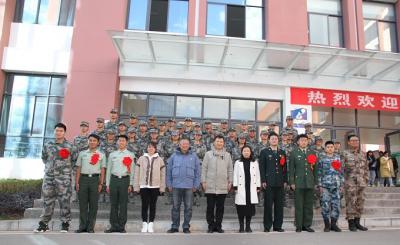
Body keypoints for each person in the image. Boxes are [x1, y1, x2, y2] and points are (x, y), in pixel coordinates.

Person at [34, 123, 77, 233]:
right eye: (57, 130)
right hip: (49, 178)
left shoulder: (70, 146)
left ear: (64, 132)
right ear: (54, 131)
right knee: (47, 200)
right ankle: (44, 224)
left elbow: (74, 161)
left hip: (64, 179)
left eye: (61, 131)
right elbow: (44, 158)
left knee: (65, 201)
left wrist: (64, 171)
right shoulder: (48, 144)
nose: (58, 132)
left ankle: (65, 223)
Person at [166, 138, 201, 234]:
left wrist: (196, 185)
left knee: (188, 207)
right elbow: (168, 171)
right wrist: (169, 183)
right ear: (179, 145)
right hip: (176, 186)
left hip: (189, 186)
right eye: (183, 144)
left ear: (189, 145)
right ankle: (174, 227)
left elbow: (198, 172)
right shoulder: (174, 156)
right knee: (175, 207)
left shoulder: (194, 156)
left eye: (186, 144)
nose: (185, 145)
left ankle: (186, 226)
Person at [75, 134, 106, 233]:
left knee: (93, 205)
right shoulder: (82, 154)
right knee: (83, 204)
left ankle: (90, 227)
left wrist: (101, 183)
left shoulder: (102, 155)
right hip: (83, 180)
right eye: (90, 140)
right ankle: (82, 226)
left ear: (98, 142)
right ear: (88, 141)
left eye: (94, 140)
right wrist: (77, 182)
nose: (92, 142)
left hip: (95, 180)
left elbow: (102, 170)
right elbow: (78, 168)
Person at [201, 135, 233, 233]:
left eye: (221, 141)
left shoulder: (227, 155)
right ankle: (211, 226)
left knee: (220, 208)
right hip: (210, 185)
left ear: (223, 143)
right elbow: (204, 168)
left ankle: (218, 225)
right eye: (217, 141)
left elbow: (230, 169)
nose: (219, 143)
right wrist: (203, 181)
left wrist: (230, 182)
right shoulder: (208, 154)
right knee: (210, 207)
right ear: (214, 142)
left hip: (222, 185)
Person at [104, 135, 135, 233]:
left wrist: (130, 184)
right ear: (117, 142)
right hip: (114, 180)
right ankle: (113, 226)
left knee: (123, 204)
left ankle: (121, 226)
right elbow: (108, 170)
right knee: (113, 204)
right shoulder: (112, 154)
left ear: (126, 143)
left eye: (123, 141)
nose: (121, 142)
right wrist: (108, 184)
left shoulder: (130, 155)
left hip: (125, 180)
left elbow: (132, 171)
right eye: (119, 141)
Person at [134, 142, 166, 233]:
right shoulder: (141, 158)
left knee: (153, 206)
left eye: (152, 147)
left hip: (155, 186)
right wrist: (136, 186)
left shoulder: (160, 159)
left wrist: (162, 188)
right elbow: (137, 173)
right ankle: (144, 224)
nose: (150, 148)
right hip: (144, 186)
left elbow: (163, 175)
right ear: (147, 148)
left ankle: (151, 224)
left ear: (155, 149)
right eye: (149, 147)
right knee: (144, 205)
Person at [289, 134, 318, 233]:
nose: (304, 142)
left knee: (309, 205)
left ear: (308, 141)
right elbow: (291, 169)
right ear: (298, 142)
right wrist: (292, 182)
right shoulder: (293, 153)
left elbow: (315, 169)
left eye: (305, 140)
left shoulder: (312, 152)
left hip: (310, 182)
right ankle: (299, 225)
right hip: (298, 182)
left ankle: (307, 225)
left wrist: (315, 182)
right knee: (299, 205)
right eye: (302, 140)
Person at [259, 132, 287, 232]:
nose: (274, 140)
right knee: (268, 206)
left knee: (279, 206)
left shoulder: (282, 152)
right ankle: (267, 226)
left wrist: (285, 180)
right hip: (269, 183)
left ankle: (278, 226)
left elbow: (284, 168)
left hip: (280, 182)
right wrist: (263, 180)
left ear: (278, 140)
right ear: (269, 140)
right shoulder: (264, 152)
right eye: (272, 139)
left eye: (276, 138)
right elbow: (262, 168)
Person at [342, 134, 368, 232]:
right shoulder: (344, 153)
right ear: (348, 142)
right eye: (353, 140)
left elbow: (366, 168)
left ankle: (358, 222)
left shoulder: (363, 154)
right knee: (351, 202)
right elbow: (341, 168)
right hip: (350, 183)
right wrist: (343, 181)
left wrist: (366, 180)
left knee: (360, 202)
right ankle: (351, 223)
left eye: (357, 140)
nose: (355, 142)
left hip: (361, 182)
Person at [233, 146, 261, 233]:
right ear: (242, 152)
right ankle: (241, 227)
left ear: (250, 152)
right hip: (241, 188)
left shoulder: (254, 162)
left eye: (248, 151)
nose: (246, 152)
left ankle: (248, 227)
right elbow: (235, 175)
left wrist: (258, 186)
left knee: (250, 209)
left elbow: (257, 175)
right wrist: (235, 186)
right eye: (244, 151)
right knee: (241, 208)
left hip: (251, 188)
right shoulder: (238, 162)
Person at [317, 141, 343, 232]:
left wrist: (341, 184)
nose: (330, 148)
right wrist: (320, 185)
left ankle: (333, 224)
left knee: (336, 205)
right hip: (325, 185)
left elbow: (340, 171)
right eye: (328, 147)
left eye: (331, 147)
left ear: (334, 148)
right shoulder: (321, 158)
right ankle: (327, 225)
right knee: (325, 205)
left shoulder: (337, 157)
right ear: (325, 148)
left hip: (336, 185)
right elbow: (319, 172)